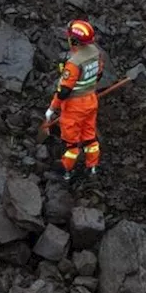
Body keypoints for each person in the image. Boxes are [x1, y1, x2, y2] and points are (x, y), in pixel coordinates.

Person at [44, 19, 106, 181]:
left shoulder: (74, 63)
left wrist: (52, 109)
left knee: (71, 143)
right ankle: (92, 167)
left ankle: (66, 171)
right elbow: (99, 74)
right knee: (89, 137)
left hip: (74, 107)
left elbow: (64, 91)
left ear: (74, 40)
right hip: (90, 101)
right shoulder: (95, 52)